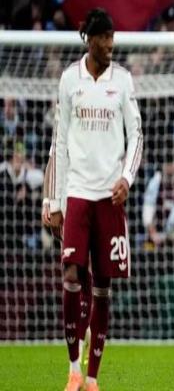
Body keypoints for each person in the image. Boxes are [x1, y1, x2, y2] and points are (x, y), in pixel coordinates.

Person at [47, 8, 143, 391]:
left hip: (109, 197)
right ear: (89, 39)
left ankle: (92, 377)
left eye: (112, 37)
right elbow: (59, 141)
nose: (109, 44)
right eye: (103, 38)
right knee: (71, 274)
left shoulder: (123, 81)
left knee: (103, 285)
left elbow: (137, 135)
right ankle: (73, 367)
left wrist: (127, 178)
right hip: (77, 193)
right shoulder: (70, 79)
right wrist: (55, 201)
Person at [42, 151, 92, 368]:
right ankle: (81, 332)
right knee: (73, 272)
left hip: (91, 196)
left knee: (88, 270)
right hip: (65, 202)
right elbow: (52, 162)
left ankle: (80, 339)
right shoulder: (61, 130)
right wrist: (47, 201)